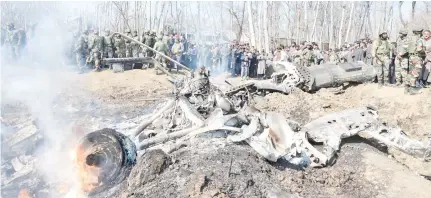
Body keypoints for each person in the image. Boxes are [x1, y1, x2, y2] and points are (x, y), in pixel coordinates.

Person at [405, 27, 425, 94]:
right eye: (421, 32)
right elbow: (419, 49)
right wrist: (423, 55)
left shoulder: (409, 39)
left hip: (411, 57)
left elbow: (405, 49)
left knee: (410, 72)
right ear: (419, 33)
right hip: (417, 57)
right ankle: (412, 89)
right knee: (415, 73)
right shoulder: (419, 39)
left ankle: (407, 87)